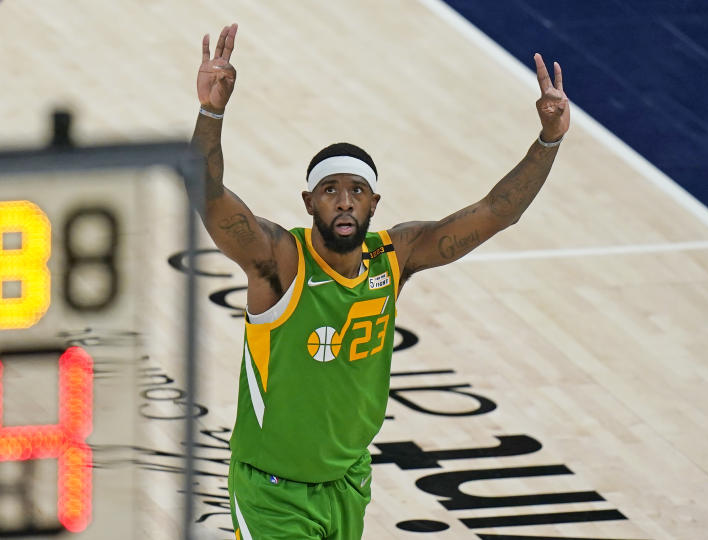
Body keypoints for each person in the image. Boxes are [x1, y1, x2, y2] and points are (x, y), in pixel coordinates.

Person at [190, 23, 570, 540]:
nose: (344, 200)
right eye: (329, 190)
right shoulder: (280, 261)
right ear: (309, 203)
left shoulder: (395, 255)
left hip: (347, 484)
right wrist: (212, 113)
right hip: (273, 494)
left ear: (373, 204)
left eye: (356, 190)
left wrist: (548, 140)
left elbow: (496, 212)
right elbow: (210, 196)